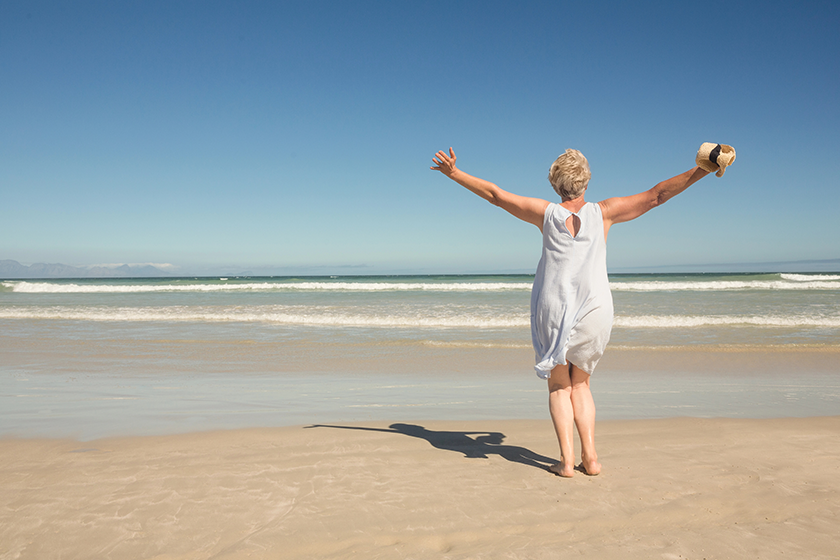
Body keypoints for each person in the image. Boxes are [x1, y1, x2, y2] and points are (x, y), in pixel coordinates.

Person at [430, 145, 733, 477]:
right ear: (586, 182)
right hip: (595, 306)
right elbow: (657, 196)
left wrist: (454, 173)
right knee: (582, 385)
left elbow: (496, 195)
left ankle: (565, 461)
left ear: (555, 184)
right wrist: (703, 169)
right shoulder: (603, 212)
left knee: (560, 385)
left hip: (553, 305)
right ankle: (590, 458)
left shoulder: (544, 213)